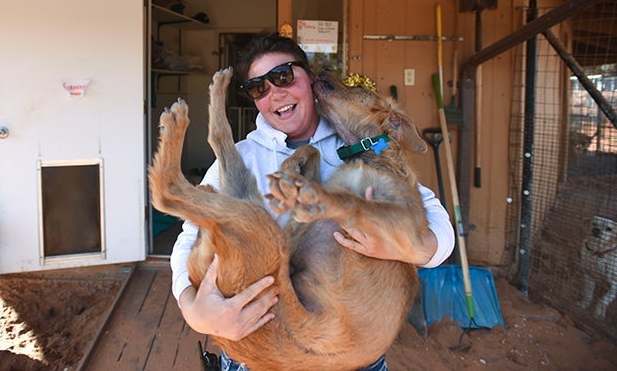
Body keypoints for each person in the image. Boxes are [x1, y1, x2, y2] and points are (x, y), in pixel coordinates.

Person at [170, 32, 455, 371]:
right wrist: (194, 310)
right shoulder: (242, 157)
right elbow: (191, 235)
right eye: (259, 88)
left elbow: (437, 227)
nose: (275, 92)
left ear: (308, 77)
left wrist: (409, 248)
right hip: (267, 344)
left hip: (348, 345)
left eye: (283, 76)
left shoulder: (358, 144)